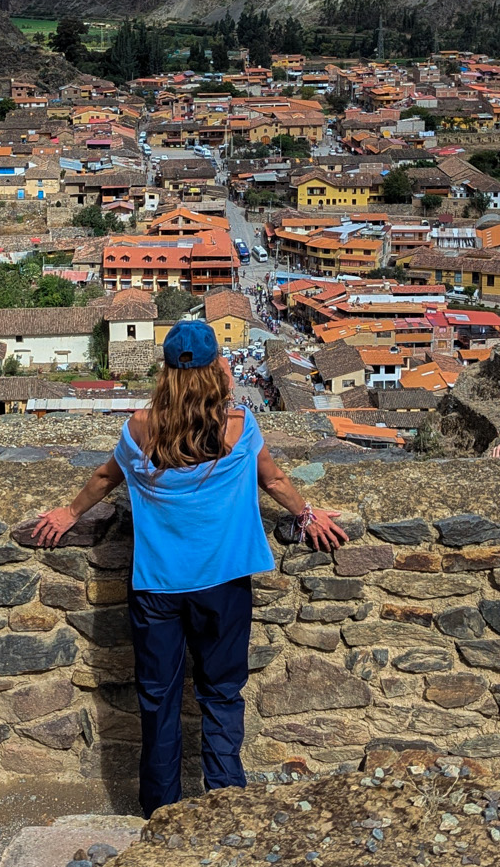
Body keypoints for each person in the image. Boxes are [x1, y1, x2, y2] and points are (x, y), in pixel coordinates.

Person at [28, 320, 345, 816]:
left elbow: (103, 477)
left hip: (157, 589)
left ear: (167, 370)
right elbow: (276, 479)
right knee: (221, 695)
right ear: (216, 366)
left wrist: (69, 513)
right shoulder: (238, 425)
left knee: (159, 701)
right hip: (223, 583)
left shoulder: (138, 428)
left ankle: (161, 813)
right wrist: (307, 514)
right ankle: (225, 805)